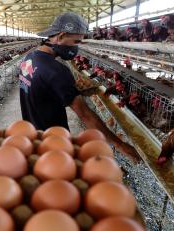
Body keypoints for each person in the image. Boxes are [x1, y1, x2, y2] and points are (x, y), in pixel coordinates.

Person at [19, 12, 139, 161]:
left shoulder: (29, 58)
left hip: (32, 135)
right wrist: (120, 145)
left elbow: (41, 90)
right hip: (54, 140)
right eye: (76, 41)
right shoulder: (57, 71)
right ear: (61, 36)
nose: (77, 47)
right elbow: (84, 114)